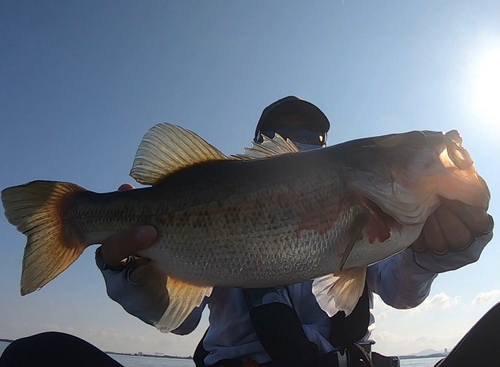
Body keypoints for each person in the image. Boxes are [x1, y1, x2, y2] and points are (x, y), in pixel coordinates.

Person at [0, 97, 495, 367]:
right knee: (35, 357)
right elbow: (180, 319)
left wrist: (441, 249)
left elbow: (401, 290)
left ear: (329, 147)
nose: (299, 144)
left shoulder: (385, 216)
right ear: (259, 145)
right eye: (283, 134)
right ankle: (67, 218)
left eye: (312, 139)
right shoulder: (231, 186)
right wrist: (124, 270)